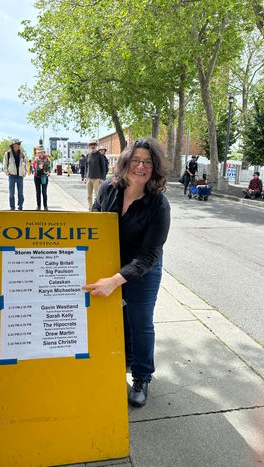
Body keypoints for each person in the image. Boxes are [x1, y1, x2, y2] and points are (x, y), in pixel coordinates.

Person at [83, 137, 170, 408]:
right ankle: (126, 358)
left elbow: (148, 256)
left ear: (154, 167)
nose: (140, 167)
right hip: (111, 261)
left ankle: (142, 376)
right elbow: (94, 222)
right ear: (125, 162)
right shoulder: (109, 188)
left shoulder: (159, 205)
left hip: (144, 268)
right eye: (135, 160)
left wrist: (115, 281)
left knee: (140, 319)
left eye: (147, 162)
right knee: (118, 316)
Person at [3, 138, 27, 211]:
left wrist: (24, 172)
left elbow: (25, 164)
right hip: (12, 176)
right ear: (13, 145)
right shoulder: (8, 154)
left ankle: (20, 207)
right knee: (11, 193)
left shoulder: (22, 154)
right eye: (16, 144)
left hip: (20, 176)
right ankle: (12, 207)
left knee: (20, 193)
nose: (18, 145)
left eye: (19, 144)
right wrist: (7, 172)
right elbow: (4, 164)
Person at [85, 140, 106, 210]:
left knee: (97, 195)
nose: (93, 146)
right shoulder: (88, 155)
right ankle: (90, 208)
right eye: (91, 145)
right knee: (88, 195)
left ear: (96, 146)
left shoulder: (100, 155)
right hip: (89, 178)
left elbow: (103, 167)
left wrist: (103, 178)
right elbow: (86, 167)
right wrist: (85, 177)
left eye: (94, 144)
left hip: (97, 178)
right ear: (89, 146)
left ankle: (97, 208)